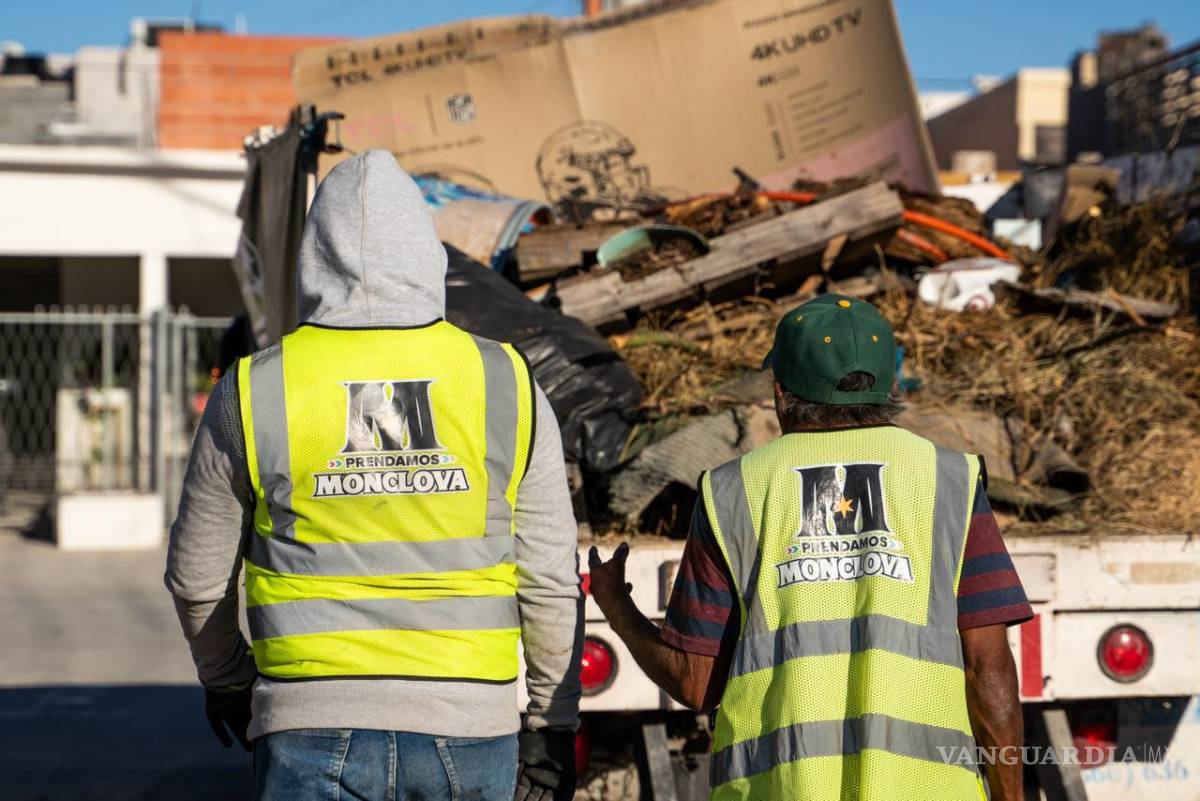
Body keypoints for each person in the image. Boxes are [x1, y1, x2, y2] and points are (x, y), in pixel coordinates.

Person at [166, 150, 583, 801]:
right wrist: (552, 721)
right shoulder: (506, 382)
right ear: (428, 256)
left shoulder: (252, 390)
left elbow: (197, 579)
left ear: (311, 259)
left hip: (307, 725)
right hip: (470, 727)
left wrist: (228, 680)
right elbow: (551, 579)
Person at [589, 294, 1031, 801]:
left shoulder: (733, 491)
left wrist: (616, 606)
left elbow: (696, 684)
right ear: (893, 387)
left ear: (780, 393)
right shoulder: (950, 480)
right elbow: (989, 669)